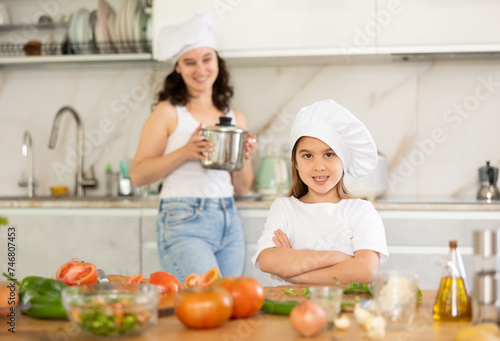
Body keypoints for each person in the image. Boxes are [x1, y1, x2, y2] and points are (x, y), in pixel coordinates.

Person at [131, 12, 257, 283]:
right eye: (190, 62)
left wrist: (243, 157)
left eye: (207, 59)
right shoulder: (168, 112)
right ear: (178, 67)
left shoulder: (235, 117)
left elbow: (244, 188)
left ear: (217, 62)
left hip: (228, 219)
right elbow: (138, 175)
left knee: (230, 304)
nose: (200, 70)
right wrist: (185, 152)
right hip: (183, 220)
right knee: (206, 297)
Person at [251, 99, 388, 286]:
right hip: (291, 309)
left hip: (343, 310)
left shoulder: (361, 211)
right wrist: (337, 257)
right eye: (307, 155)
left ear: (343, 161)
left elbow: (365, 270)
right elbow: (267, 259)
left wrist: (293, 272)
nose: (319, 166)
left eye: (329, 154)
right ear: (296, 163)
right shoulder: (284, 208)